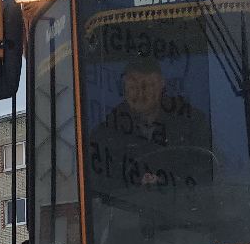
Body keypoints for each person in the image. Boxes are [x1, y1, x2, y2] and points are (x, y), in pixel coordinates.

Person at [88, 58, 210, 189]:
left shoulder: (191, 123)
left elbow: (207, 172)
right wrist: (135, 183)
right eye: (133, 87)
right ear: (124, 89)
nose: (140, 94)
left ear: (161, 85)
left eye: (148, 86)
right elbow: (97, 181)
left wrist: (168, 182)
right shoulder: (108, 131)